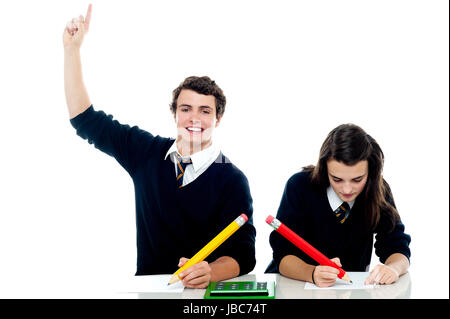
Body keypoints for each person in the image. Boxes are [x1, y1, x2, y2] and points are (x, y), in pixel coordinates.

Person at [63, 4, 256, 288]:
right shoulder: (145, 152)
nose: (194, 118)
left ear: (218, 118)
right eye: (186, 108)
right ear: (174, 113)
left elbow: (244, 254)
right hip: (149, 290)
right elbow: (85, 120)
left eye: (205, 111)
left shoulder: (232, 179)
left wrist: (211, 272)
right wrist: (72, 51)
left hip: (202, 296)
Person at [265, 123, 411, 287]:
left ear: (371, 173)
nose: (347, 190)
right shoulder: (300, 186)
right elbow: (282, 254)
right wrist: (312, 273)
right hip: (293, 285)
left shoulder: (378, 190)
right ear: (324, 168)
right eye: (336, 179)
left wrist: (393, 269)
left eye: (357, 180)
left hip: (348, 290)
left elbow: (397, 246)